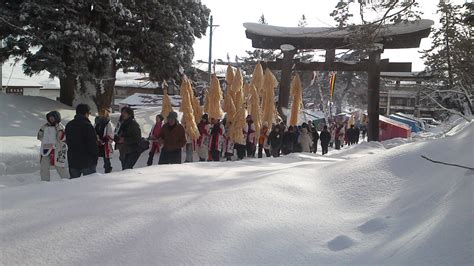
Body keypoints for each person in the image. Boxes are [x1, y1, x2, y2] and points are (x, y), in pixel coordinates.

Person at [66, 104, 99, 178]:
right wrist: (95, 158)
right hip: (87, 161)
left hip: (73, 160)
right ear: (86, 113)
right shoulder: (88, 126)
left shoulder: (69, 125)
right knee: (89, 185)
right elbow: (92, 144)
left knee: (74, 185)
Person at [37, 111, 69, 181]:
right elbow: (40, 136)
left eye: (53, 117)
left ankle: (67, 181)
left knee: (60, 167)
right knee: (44, 167)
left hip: (58, 149)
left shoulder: (61, 127)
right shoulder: (45, 126)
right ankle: (45, 182)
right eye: (50, 118)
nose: (51, 119)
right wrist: (46, 137)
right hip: (47, 148)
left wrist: (57, 130)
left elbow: (62, 138)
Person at [95, 108, 114, 173]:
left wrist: (105, 140)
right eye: (100, 113)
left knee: (106, 158)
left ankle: (108, 169)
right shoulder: (97, 122)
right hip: (98, 142)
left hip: (105, 143)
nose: (101, 115)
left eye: (103, 113)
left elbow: (110, 133)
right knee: (95, 157)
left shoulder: (108, 123)